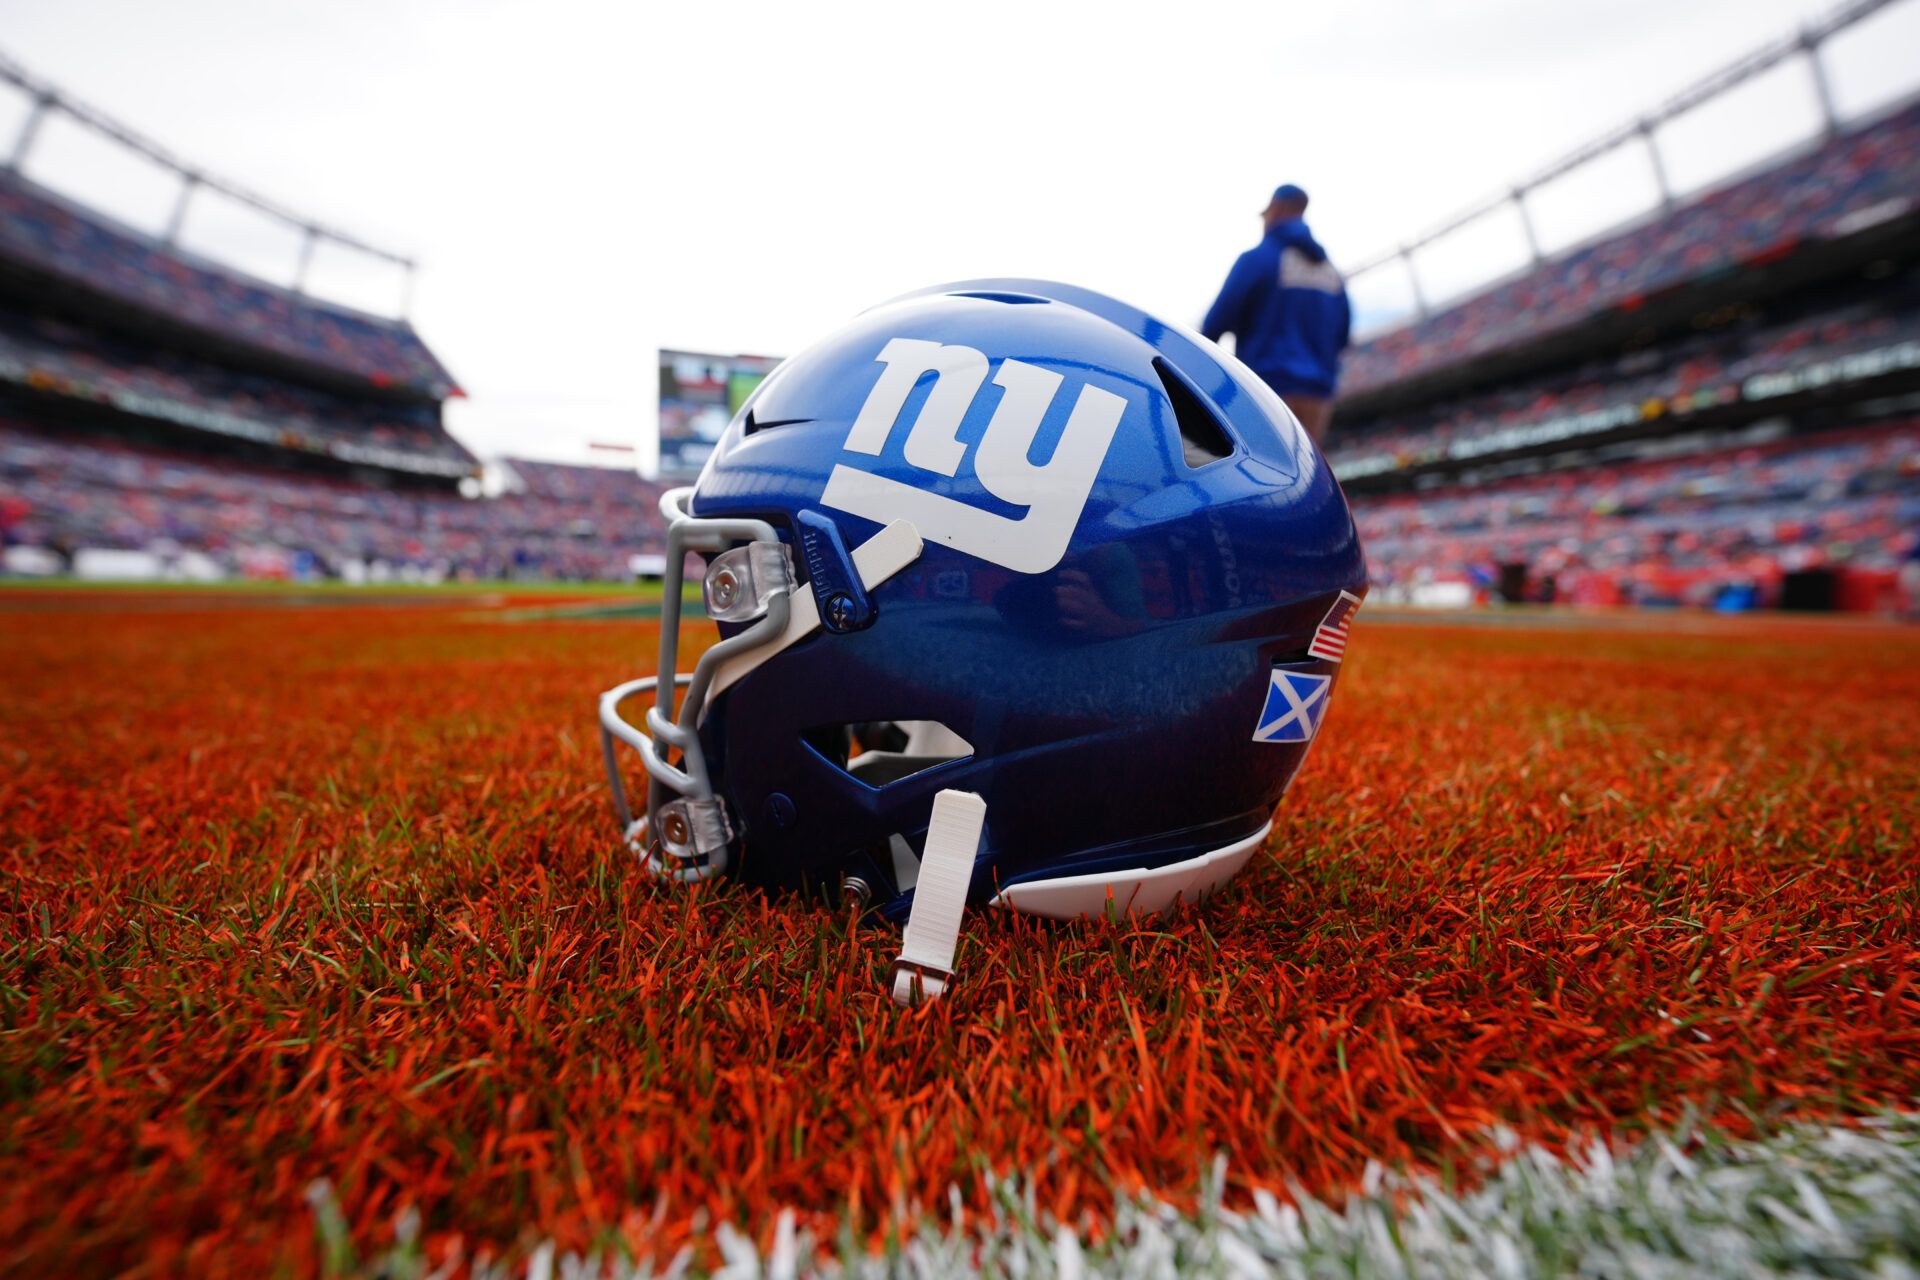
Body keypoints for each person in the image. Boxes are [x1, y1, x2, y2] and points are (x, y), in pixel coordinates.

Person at [1201, 183, 1352, 444]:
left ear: (1278, 208)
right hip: (1318, 393)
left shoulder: (1258, 259)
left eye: (1266, 213)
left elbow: (1216, 322)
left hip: (1266, 386)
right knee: (1307, 471)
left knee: (1265, 469)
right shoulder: (1330, 272)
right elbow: (1343, 334)